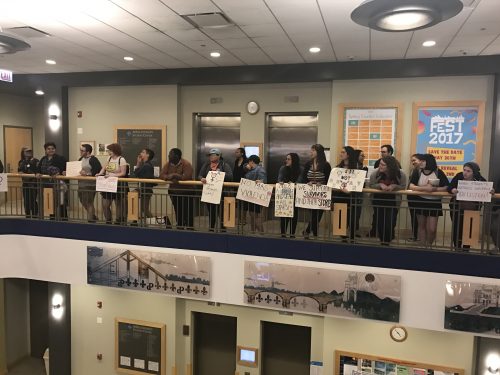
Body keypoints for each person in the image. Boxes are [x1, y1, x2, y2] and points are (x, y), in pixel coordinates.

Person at [409, 153, 449, 247]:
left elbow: (446, 187)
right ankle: (423, 247)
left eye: (423, 161)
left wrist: (434, 189)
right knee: (421, 226)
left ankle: (429, 245)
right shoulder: (417, 171)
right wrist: (424, 188)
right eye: (421, 161)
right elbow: (411, 185)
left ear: (429, 162)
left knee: (432, 228)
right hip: (420, 200)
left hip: (434, 202)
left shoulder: (438, 172)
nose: (421, 163)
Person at [448, 162, 487, 250]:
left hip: (472, 209)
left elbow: (487, 188)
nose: (465, 173)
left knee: (469, 230)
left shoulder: (479, 179)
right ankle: (457, 248)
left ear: (474, 172)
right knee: (457, 229)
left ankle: (466, 249)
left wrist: (491, 191)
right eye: (464, 170)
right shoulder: (459, 176)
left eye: (468, 171)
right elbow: (449, 187)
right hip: (457, 208)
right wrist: (453, 189)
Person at [369, 156, 407, 245]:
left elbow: (403, 186)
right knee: (380, 221)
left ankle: (387, 241)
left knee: (390, 222)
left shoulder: (400, 174)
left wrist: (394, 186)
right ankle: (383, 241)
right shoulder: (375, 173)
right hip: (378, 199)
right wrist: (380, 185)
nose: (380, 166)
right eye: (380, 164)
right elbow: (371, 185)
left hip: (393, 201)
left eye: (383, 165)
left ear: (390, 166)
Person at [300, 144, 331, 239]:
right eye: (311, 150)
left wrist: (322, 184)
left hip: (322, 194)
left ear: (319, 152)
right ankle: (314, 235)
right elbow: (303, 178)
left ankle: (308, 232)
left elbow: (329, 179)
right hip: (310, 194)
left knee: (317, 216)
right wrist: (307, 182)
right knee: (314, 215)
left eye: (313, 150)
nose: (311, 152)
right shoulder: (308, 164)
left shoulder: (326, 165)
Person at [198, 148, 233, 231]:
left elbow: (230, 176)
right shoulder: (206, 165)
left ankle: (223, 228)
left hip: (221, 192)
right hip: (209, 192)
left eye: (213, 155)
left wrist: (220, 173)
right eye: (210, 155)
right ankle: (211, 228)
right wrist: (201, 178)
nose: (211, 157)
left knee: (222, 212)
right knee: (211, 211)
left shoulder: (224, 165)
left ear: (219, 156)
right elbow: (199, 175)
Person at [160, 148, 194, 229]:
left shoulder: (186, 164)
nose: (169, 156)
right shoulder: (168, 164)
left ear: (177, 156)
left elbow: (187, 176)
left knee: (187, 210)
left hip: (186, 192)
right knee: (177, 210)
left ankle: (190, 227)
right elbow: (161, 175)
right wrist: (168, 177)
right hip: (174, 191)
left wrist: (175, 175)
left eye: (170, 154)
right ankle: (180, 225)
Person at [96, 143, 129, 225]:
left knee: (119, 204)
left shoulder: (121, 159)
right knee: (105, 204)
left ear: (115, 150)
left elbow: (123, 173)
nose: (109, 152)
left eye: (110, 150)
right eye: (108, 150)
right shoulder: (109, 158)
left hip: (118, 184)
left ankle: (119, 220)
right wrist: (100, 173)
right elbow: (104, 167)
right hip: (108, 184)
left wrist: (113, 175)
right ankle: (108, 220)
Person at [332, 146, 360, 241]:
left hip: (351, 197)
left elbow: (358, 183)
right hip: (339, 197)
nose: (341, 154)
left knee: (351, 219)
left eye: (343, 152)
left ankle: (351, 238)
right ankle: (343, 239)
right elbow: (333, 182)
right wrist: (340, 188)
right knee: (340, 222)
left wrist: (349, 190)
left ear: (348, 154)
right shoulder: (337, 168)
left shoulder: (356, 168)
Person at [37, 142, 68, 219]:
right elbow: (38, 169)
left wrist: (63, 172)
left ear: (55, 149)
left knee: (61, 202)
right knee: (50, 203)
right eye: (48, 149)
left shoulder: (61, 158)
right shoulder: (43, 159)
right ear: (45, 150)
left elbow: (66, 168)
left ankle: (64, 219)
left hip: (58, 184)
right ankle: (52, 219)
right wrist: (38, 173)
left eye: (52, 149)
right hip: (46, 185)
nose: (51, 150)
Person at [277, 153, 302, 238]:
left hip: (295, 195)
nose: (286, 160)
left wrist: (294, 184)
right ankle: (283, 234)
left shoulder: (300, 169)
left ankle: (292, 234)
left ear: (294, 160)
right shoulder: (283, 168)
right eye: (286, 159)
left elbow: (300, 180)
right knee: (283, 215)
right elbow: (279, 178)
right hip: (284, 194)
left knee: (294, 215)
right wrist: (280, 182)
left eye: (289, 159)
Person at [78, 143, 102, 222]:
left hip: (90, 184)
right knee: (83, 201)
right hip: (81, 184)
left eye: (82, 150)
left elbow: (98, 171)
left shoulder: (93, 159)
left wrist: (88, 174)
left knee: (89, 202)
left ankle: (91, 220)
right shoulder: (80, 159)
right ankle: (93, 216)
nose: (80, 152)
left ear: (88, 152)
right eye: (80, 150)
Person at [244, 155, 267, 233]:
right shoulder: (250, 169)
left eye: (249, 162)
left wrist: (261, 181)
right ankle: (253, 232)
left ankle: (261, 233)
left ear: (252, 162)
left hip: (256, 196)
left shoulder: (260, 170)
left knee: (254, 216)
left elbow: (264, 181)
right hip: (250, 195)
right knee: (252, 215)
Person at [132, 148, 155, 223]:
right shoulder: (145, 164)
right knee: (144, 209)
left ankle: (153, 222)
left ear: (147, 155)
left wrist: (138, 164)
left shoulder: (147, 165)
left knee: (144, 210)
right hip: (143, 189)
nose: (140, 153)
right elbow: (137, 173)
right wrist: (138, 163)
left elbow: (136, 174)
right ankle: (135, 220)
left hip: (146, 190)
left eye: (143, 152)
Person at [18, 147, 39, 218]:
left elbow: (37, 170)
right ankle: (27, 215)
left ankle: (35, 215)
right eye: (26, 151)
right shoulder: (21, 162)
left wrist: (30, 162)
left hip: (34, 183)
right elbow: (20, 171)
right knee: (26, 200)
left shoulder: (35, 160)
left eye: (30, 151)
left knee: (33, 200)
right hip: (25, 183)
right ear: (23, 153)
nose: (28, 152)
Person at [407, 154, 424, 242]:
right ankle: (414, 235)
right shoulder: (413, 170)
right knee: (413, 217)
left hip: (419, 198)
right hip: (411, 197)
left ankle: (419, 236)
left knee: (420, 218)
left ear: (421, 161)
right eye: (412, 161)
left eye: (415, 160)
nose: (413, 162)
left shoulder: (422, 171)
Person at [354, 149, 368, 236]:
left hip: (359, 193)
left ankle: (355, 231)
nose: (363, 157)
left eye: (364, 156)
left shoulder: (363, 166)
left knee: (357, 213)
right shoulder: (353, 166)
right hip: (350, 194)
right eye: (361, 155)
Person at [233, 147, 248, 226]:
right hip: (236, 183)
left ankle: (244, 219)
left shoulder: (246, 161)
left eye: (237, 152)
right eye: (236, 152)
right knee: (238, 202)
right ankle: (239, 219)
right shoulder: (236, 161)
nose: (236, 153)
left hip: (244, 184)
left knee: (244, 202)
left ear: (242, 153)